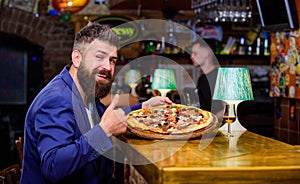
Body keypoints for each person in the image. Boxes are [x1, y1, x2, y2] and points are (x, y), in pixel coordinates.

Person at [20, 22, 172, 184]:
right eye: (99, 56)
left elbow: (111, 117)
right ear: (77, 58)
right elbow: (53, 167)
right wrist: (104, 131)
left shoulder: (85, 93)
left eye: (112, 60)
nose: (108, 67)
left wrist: (143, 108)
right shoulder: (57, 99)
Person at [190, 39, 224, 120]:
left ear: (206, 53)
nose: (191, 56)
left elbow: (227, 110)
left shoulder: (221, 76)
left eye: (195, 53)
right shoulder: (202, 79)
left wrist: (210, 120)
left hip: (218, 127)